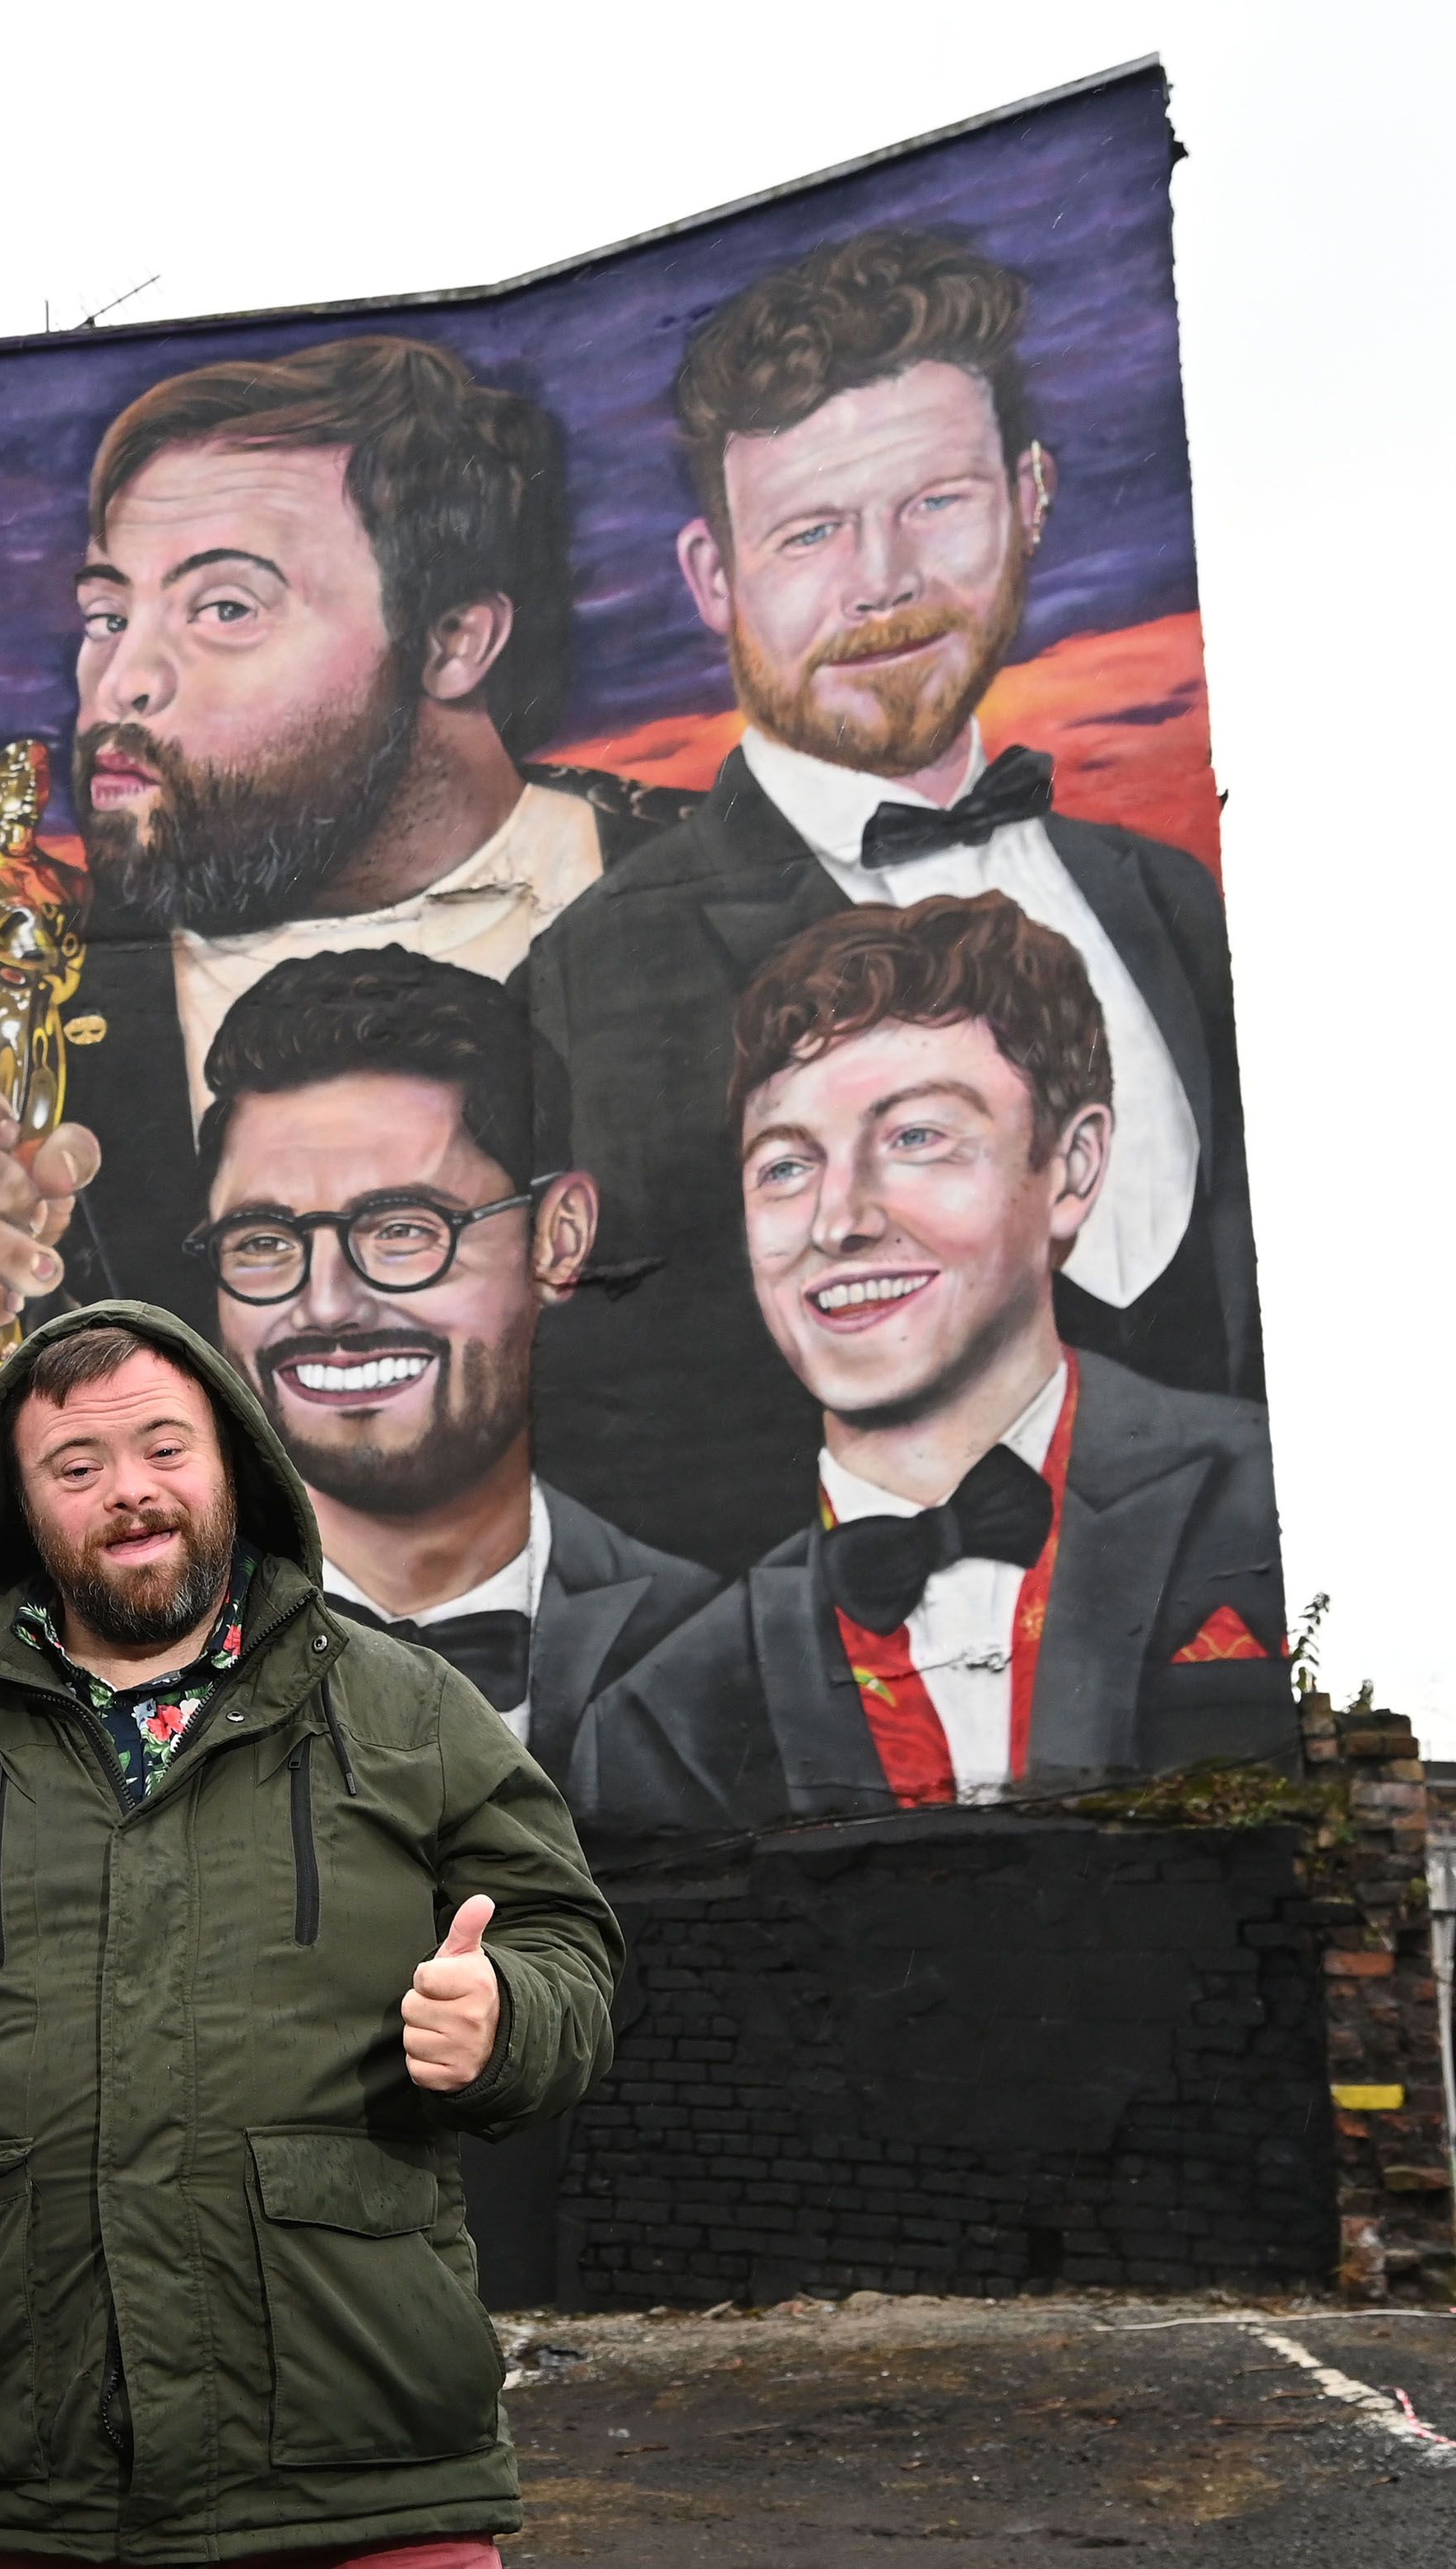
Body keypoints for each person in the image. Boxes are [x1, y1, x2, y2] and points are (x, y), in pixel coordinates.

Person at [0, 336, 689, 1589]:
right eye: (106, 614)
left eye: (224, 607)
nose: (121, 683)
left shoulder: (715, 904)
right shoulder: (16, 984)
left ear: (454, 639)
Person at [0, 1301, 619, 2566]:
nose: (130, 1490)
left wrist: (509, 2016)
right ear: (19, 1505)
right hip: (35, 2471)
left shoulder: (408, 1706)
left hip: (367, 2464)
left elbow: (565, 1944)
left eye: (164, 1447)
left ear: (234, 1464)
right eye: (76, 1466)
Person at [523, 230, 1259, 1576]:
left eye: (936, 500)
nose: (883, 579)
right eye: (812, 531)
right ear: (712, 576)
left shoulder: (1164, 899)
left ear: (1031, 496)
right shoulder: (590, 976)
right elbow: (614, 1437)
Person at [570, 897, 1288, 1840]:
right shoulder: (664, 1719)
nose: (839, 1220)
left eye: (915, 1138)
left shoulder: (1268, 1497)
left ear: (1072, 1168)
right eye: (784, 1167)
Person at [193, 947, 718, 1787]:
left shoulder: (720, 1639)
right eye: (263, 1241)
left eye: (403, 1229)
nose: (326, 1305)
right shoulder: (134, 1648)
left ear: (558, 1240)